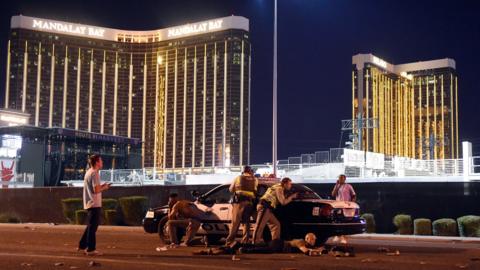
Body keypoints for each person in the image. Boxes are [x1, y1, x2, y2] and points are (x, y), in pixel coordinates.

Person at [78, 155, 111, 256]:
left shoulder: (89, 172)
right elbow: (96, 190)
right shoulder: (94, 173)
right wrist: (105, 187)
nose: (102, 162)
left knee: (90, 226)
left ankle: (82, 245)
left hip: (90, 203)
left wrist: (102, 186)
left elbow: (94, 188)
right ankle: (90, 249)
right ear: (96, 162)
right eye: (101, 160)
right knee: (93, 228)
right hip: (94, 203)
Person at [252, 177, 297, 244]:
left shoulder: (278, 187)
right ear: (285, 184)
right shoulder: (279, 188)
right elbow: (283, 202)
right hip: (264, 207)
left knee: (276, 225)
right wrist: (291, 197)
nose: (290, 186)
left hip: (268, 209)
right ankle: (255, 243)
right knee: (260, 226)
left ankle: (275, 243)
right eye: (289, 184)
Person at [225, 165, 258, 247]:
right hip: (250, 203)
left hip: (239, 202)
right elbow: (255, 190)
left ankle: (229, 242)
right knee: (246, 222)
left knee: (235, 222)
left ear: (243, 171)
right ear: (250, 172)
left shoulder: (238, 178)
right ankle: (245, 241)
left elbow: (231, 189)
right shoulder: (255, 179)